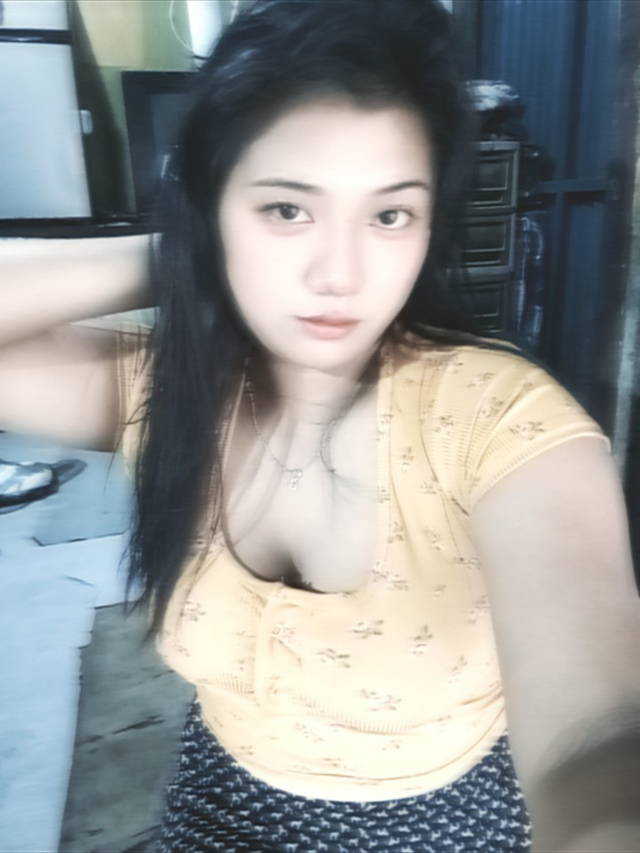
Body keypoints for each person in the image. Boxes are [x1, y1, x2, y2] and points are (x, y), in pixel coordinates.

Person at [1, 1, 639, 850]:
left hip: (446, 827)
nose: (340, 273)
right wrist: (184, 250)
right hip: (216, 805)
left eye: (389, 215)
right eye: (287, 209)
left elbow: (592, 730)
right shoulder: (167, 390)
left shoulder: (499, 423)